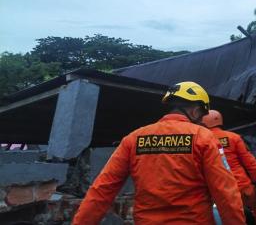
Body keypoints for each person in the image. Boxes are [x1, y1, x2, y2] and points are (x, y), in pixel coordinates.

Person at [73, 82, 245, 225]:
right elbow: (226, 193)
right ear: (194, 111)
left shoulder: (134, 138)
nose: (201, 121)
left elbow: (102, 190)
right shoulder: (204, 138)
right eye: (201, 116)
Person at [202, 110, 256, 225]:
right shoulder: (234, 137)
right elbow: (250, 163)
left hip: (219, 192)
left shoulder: (202, 140)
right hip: (243, 188)